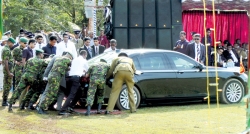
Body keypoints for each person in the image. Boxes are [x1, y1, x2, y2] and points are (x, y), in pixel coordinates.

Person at [58, 50, 89, 115]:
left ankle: (70, 106)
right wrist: (84, 72)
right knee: (72, 95)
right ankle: (62, 110)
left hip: (70, 78)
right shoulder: (84, 60)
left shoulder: (74, 60)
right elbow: (88, 70)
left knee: (79, 92)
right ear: (84, 55)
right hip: (76, 78)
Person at [1, 37, 14, 106]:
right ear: (9, 42)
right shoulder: (6, 50)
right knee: (7, 86)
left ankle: (5, 100)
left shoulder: (6, 49)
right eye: (12, 43)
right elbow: (6, 61)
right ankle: (4, 101)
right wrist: (9, 72)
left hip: (8, 69)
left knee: (8, 85)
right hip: (7, 70)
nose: (13, 45)